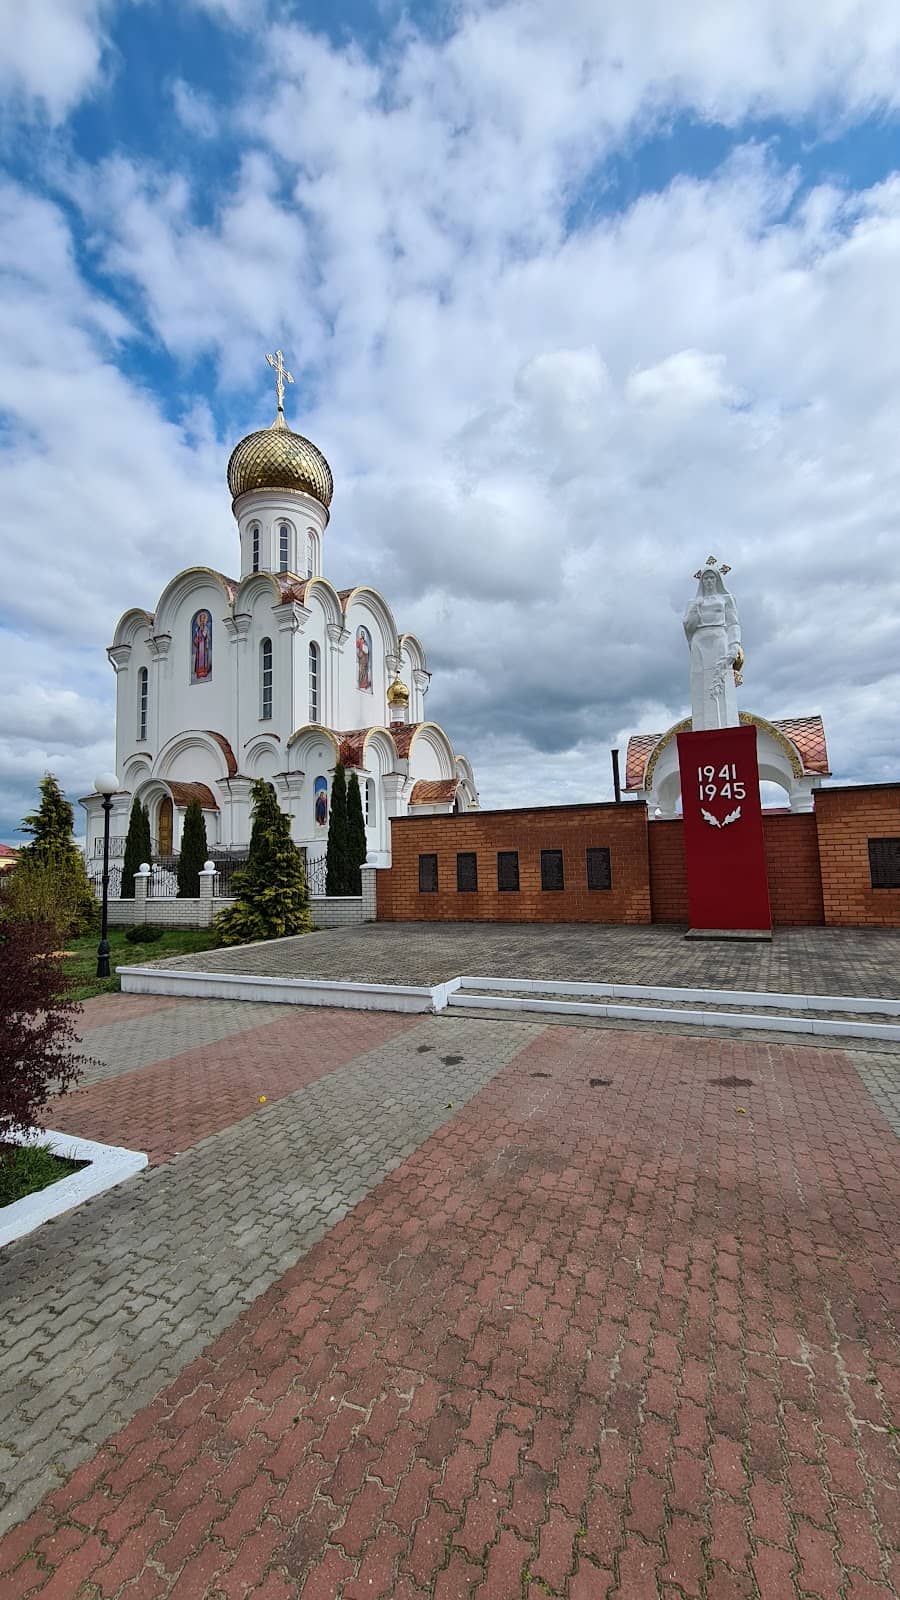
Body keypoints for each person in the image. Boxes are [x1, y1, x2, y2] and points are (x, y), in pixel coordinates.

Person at [683, 563, 741, 730]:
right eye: (705, 578)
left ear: (717, 579)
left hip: (719, 638)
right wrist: (695, 610)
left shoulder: (726, 599)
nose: (708, 581)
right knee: (700, 680)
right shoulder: (694, 602)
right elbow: (688, 627)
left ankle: (726, 726)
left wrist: (734, 645)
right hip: (700, 640)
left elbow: (733, 623)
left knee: (721, 680)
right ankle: (702, 727)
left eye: (712, 577)